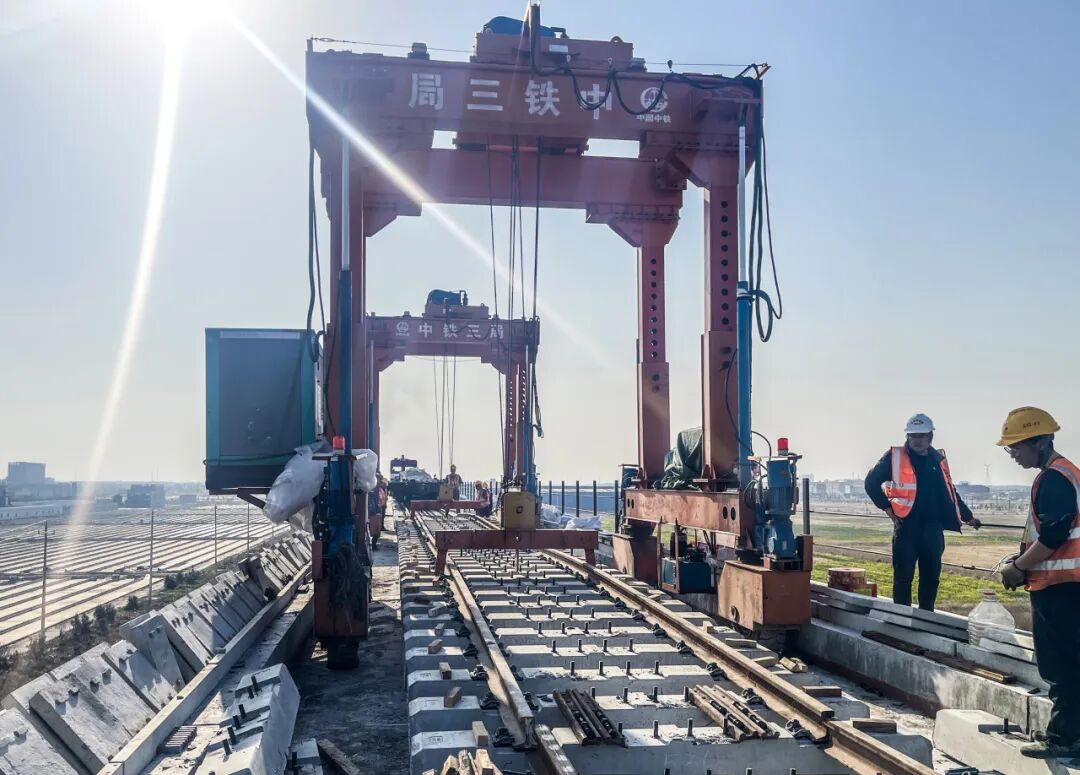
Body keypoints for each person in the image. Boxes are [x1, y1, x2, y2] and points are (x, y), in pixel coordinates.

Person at [997, 407, 1080, 759]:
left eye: (1016, 446)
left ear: (1041, 442)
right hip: (1066, 584)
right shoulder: (1065, 474)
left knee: (1063, 667)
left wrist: (1018, 567)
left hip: (1060, 587)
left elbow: (1054, 535)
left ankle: (1064, 739)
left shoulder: (1053, 479)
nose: (1013, 454)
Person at [865, 413, 981, 610]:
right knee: (903, 577)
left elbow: (950, 492)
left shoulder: (938, 459)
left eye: (921, 436)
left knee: (930, 577)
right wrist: (887, 508)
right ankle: (902, 618)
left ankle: (925, 617)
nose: (917, 440)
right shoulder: (894, 457)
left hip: (933, 529)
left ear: (930, 437)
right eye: (913, 436)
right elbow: (871, 483)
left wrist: (968, 516)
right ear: (908, 436)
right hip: (906, 527)